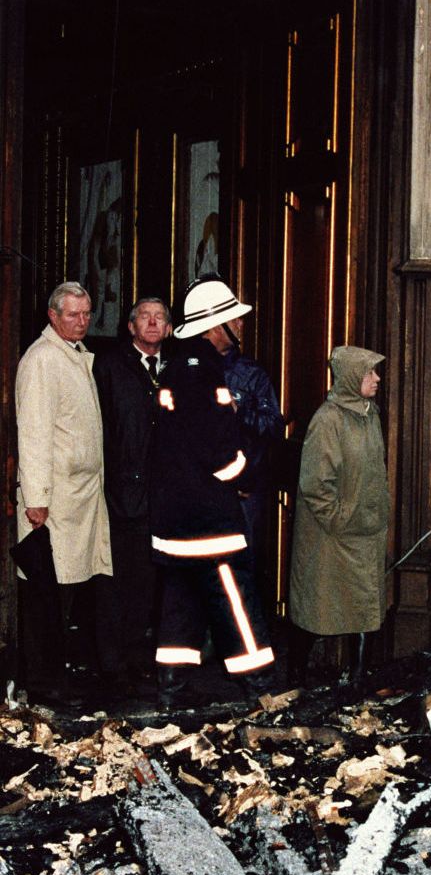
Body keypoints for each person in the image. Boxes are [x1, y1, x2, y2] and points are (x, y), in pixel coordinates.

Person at [150, 276, 274, 708]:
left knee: (180, 602)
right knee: (235, 602)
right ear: (214, 326)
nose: (238, 327)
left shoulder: (174, 368)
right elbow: (221, 454)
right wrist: (243, 476)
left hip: (174, 519)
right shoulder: (206, 373)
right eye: (232, 320)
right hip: (210, 519)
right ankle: (261, 687)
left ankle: (170, 689)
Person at [15, 281, 113, 704]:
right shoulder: (41, 361)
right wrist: (35, 498)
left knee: (69, 589)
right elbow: (33, 434)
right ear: (52, 316)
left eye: (87, 313)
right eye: (72, 314)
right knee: (45, 593)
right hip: (55, 501)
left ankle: (60, 674)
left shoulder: (73, 356)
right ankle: (43, 683)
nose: (82, 321)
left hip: (80, 497)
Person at [288, 345, 389, 686]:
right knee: (319, 609)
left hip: (366, 532)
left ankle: (359, 679)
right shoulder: (327, 420)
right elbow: (315, 485)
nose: (376, 379)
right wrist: (342, 518)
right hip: (333, 538)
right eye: (369, 373)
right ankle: (296, 676)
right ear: (350, 377)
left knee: (365, 608)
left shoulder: (369, 414)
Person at [93, 297, 172, 694]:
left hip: (159, 496)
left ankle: (137, 657)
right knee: (114, 579)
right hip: (118, 492)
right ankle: (112, 665)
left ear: (169, 329)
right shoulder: (109, 366)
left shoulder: (172, 370)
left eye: (160, 318)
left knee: (148, 580)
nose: (153, 322)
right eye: (145, 316)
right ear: (130, 326)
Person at [194, 274, 285, 618]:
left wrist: (242, 410)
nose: (242, 324)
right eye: (235, 318)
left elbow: (273, 426)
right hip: (202, 488)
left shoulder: (252, 374)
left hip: (243, 492)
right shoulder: (190, 367)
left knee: (240, 566)